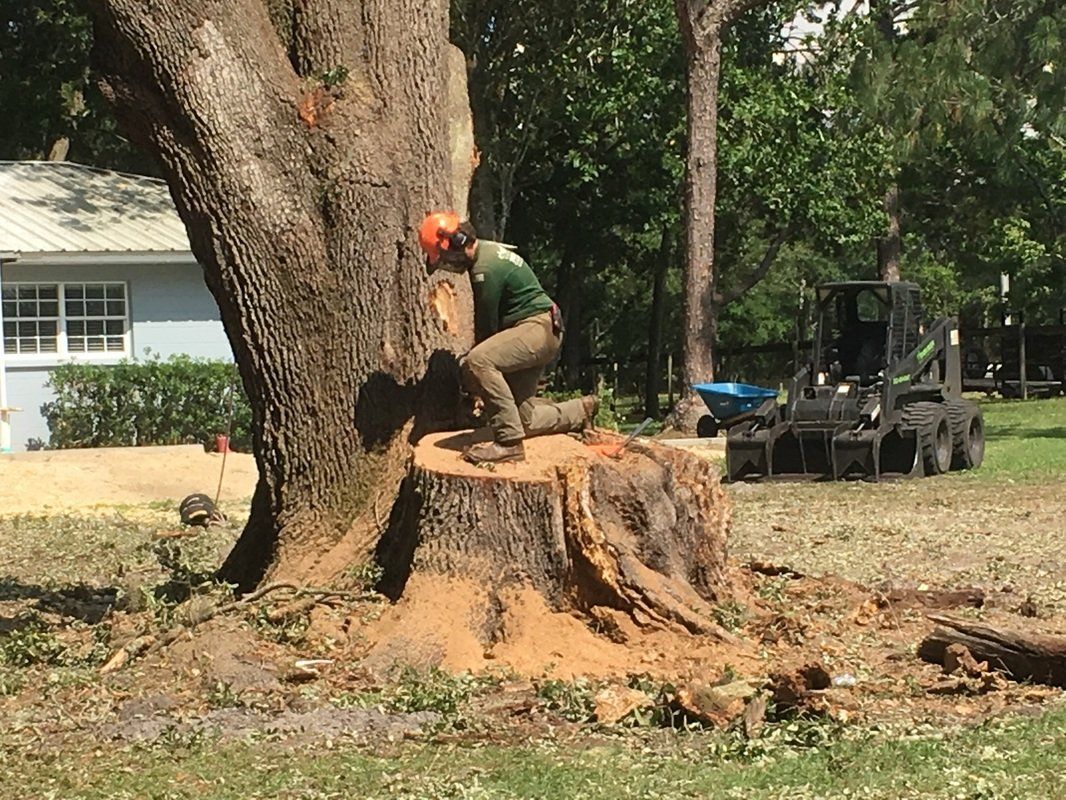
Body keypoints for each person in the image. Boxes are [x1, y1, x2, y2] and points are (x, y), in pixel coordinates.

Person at [419, 211, 596, 464]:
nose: (448, 267)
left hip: (537, 328)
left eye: (445, 260)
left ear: (457, 244)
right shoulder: (487, 252)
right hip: (543, 329)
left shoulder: (485, 270)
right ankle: (580, 411)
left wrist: (473, 380)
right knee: (521, 419)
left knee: (478, 361)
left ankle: (509, 444)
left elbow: (487, 330)